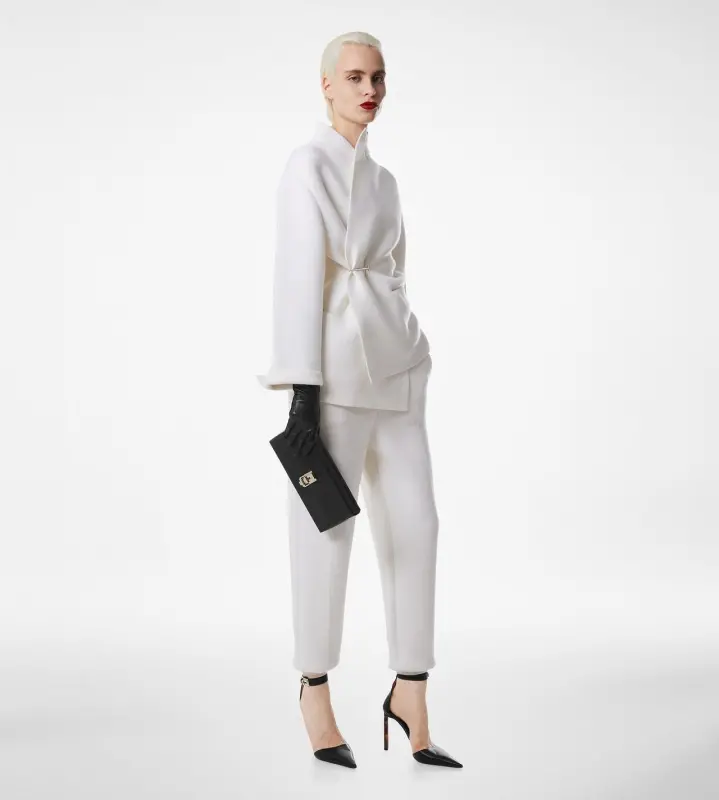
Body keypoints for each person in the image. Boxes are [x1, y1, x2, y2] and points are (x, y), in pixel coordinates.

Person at [257, 31, 462, 770]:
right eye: (353, 77)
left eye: (377, 77)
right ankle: (314, 687)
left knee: (417, 525)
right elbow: (294, 280)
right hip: (334, 375)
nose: (368, 89)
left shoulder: (386, 181)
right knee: (327, 531)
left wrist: (416, 345)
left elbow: (397, 271)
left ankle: (412, 689)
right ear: (326, 86)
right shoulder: (305, 165)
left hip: (399, 369)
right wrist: (301, 391)